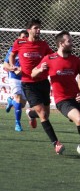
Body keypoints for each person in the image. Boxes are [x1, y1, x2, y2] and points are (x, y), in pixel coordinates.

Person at [31, 30, 80, 160]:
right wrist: (39, 70)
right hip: (63, 100)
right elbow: (32, 73)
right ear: (61, 43)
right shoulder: (49, 59)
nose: (72, 43)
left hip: (77, 98)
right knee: (79, 119)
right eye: (69, 41)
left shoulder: (75, 60)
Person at [9, 18, 65, 155]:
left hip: (43, 82)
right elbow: (12, 55)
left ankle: (30, 113)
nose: (38, 30)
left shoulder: (43, 44)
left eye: (39, 28)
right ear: (29, 30)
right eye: (35, 28)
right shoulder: (19, 42)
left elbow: (52, 56)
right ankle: (56, 143)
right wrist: (13, 66)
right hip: (28, 83)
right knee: (43, 114)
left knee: (46, 113)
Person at [3, 30, 38, 132]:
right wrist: (12, 68)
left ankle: (10, 101)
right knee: (18, 100)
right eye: (22, 37)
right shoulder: (12, 50)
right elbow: (5, 65)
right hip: (14, 77)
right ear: (18, 38)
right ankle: (17, 124)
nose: (24, 39)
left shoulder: (30, 51)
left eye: (26, 37)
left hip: (26, 78)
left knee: (21, 104)